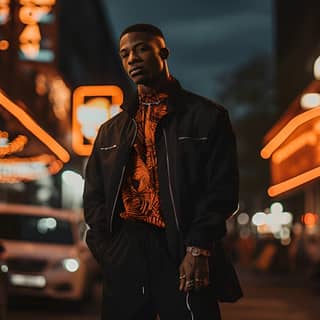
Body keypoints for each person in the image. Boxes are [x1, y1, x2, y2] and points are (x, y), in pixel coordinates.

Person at [83, 23, 242, 320]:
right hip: (126, 251)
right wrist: (107, 251)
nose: (133, 58)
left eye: (142, 48)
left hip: (181, 247)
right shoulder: (110, 131)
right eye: (125, 54)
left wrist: (198, 248)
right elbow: (94, 197)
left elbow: (221, 191)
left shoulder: (206, 117)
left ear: (163, 52)